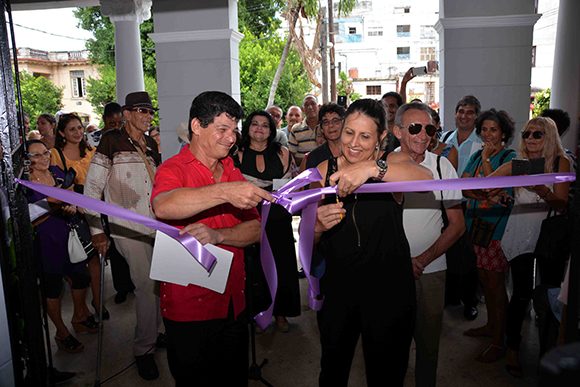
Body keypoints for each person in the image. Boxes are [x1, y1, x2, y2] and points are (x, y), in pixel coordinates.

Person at [151, 91, 273, 387]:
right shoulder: (173, 169)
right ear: (196, 126)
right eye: (222, 129)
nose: (231, 138)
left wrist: (220, 235)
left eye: (234, 131)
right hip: (190, 309)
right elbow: (163, 205)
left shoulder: (231, 170)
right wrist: (224, 192)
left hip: (233, 303)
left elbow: (255, 230)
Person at [310, 98, 432, 387]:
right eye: (349, 132)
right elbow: (308, 238)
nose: (354, 143)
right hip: (339, 287)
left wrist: (371, 169)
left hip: (388, 286)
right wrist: (316, 226)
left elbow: (425, 178)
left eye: (365, 136)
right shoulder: (323, 169)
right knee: (332, 369)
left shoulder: (393, 162)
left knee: (387, 373)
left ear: (381, 138)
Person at [84, 91, 163, 380]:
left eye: (149, 111)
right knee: (145, 285)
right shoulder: (110, 141)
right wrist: (97, 230)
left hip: (156, 225)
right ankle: (144, 349)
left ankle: (154, 333)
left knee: (158, 284)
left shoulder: (152, 143)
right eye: (140, 111)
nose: (146, 116)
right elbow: (91, 190)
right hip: (126, 227)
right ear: (126, 113)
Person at [393, 103, 465, 387]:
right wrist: (401, 261)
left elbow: (457, 224)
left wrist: (422, 260)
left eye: (430, 129)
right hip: (391, 270)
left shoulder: (441, 165)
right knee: (391, 344)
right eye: (414, 128)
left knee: (428, 345)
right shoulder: (383, 165)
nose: (423, 135)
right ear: (397, 131)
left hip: (432, 269)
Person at [495, 117, 571, 377]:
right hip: (520, 231)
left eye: (537, 134)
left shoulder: (561, 162)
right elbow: (490, 184)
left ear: (549, 136)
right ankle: (513, 348)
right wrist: (502, 193)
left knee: (547, 295)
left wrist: (541, 189)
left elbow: (562, 203)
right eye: (527, 134)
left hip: (549, 237)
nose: (530, 139)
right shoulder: (519, 164)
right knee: (521, 293)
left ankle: (548, 349)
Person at [26, 140, 97, 354]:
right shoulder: (25, 184)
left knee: (81, 277)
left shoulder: (56, 171)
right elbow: (29, 219)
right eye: (36, 156)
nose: (44, 158)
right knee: (53, 288)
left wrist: (72, 204)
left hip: (68, 233)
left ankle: (78, 317)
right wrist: (54, 202)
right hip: (46, 241)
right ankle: (61, 332)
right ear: (27, 161)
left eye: (45, 152)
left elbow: (72, 190)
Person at [461, 109, 516, 363]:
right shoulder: (474, 156)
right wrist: (482, 192)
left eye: (493, 129)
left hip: (496, 230)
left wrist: (484, 163)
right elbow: (464, 185)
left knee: (496, 287)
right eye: (484, 129)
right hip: (475, 226)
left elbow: (489, 186)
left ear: (503, 132)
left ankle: (499, 340)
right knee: (484, 281)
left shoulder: (510, 157)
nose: (487, 134)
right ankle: (490, 326)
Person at [237, 110, 299, 332]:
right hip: (249, 216)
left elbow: (290, 185)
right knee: (253, 267)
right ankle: (257, 313)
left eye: (265, 125)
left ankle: (281, 314)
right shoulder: (238, 154)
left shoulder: (283, 153)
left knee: (281, 264)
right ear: (248, 128)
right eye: (255, 124)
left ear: (272, 130)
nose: (259, 128)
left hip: (277, 216)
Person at [49, 113, 108, 322]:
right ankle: (80, 312)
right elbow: (53, 186)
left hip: (92, 211)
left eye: (80, 128)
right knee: (76, 264)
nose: (78, 132)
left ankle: (99, 303)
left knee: (95, 259)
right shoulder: (55, 155)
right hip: (69, 215)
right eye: (72, 129)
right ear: (62, 133)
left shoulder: (92, 152)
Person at [442, 95, 483, 321]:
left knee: (469, 256)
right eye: (460, 111)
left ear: (476, 116)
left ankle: (470, 301)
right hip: (448, 204)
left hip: (471, 206)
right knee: (449, 250)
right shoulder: (445, 138)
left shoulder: (483, 142)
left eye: (469, 112)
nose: (464, 116)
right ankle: (451, 296)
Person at [305, 103, 346, 169]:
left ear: (344, 124)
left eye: (335, 121)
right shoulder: (314, 157)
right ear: (321, 129)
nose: (331, 125)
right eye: (326, 122)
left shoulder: (354, 150)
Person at [288, 95, 319, 165]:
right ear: (302, 109)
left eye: (313, 104)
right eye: (306, 105)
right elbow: (291, 155)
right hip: (302, 171)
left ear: (318, 106)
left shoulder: (325, 127)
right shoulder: (295, 129)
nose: (310, 107)